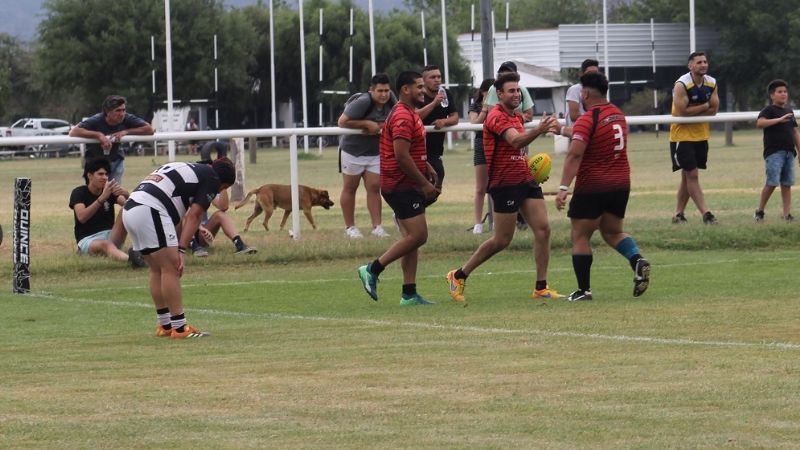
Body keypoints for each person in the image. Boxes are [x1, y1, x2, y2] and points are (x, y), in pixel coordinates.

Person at [446, 72, 562, 304]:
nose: (516, 94)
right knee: (502, 240)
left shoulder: (516, 116)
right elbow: (516, 141)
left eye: (518, 90)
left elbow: (519, 151)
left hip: (525, 180)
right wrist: (540, 130)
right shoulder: (496, 117)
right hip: (504, 184)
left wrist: (535, 171)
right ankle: (458, 275)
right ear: (499, 94)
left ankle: (541, 287)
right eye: (511, 90)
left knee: (543, 230)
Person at [553, 72, 650, 301]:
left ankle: (583, 290)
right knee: (612, 231)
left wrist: (563, 188)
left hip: (593, 185)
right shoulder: (617, 115)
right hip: (620, 184)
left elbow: (575, 154)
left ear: (585, 93)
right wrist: (560, 130)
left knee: (580, 235)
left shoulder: (588, 118)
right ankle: (637, 260)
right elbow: (587, 136)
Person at [122, 158, 236, 339]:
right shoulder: (212, 177)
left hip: (131, 208)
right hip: (151, 209)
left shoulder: (189, 167)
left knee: (157, 269)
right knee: (171, 268)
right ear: (222, 181)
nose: (219, 192)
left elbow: (178, 216)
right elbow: (195, 215)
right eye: (223, 189)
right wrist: (181, 250)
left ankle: (166, 325)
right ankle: (180, 328)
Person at [357, 71, 439, 306]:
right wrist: (424, 183)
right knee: (418, 235)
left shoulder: (409, 112)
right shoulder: (403, 116)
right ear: (405, 89)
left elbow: (410, 149)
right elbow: (401, 155)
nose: (423, 91)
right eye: (419, 87)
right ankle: (372, 269)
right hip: (401, 184)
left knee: (411, 239)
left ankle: (409, 293)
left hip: (405, 182)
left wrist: (427, 166)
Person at [337, 73, 396, 239]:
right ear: (371, 90)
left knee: (374, 187)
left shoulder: (392, 99)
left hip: (375, 152)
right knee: (350, 188)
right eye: (380, 91)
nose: (384, 94)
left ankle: (377, 227)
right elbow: (342, 121)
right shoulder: (363, 101)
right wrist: (366, 123)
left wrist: (380, 126)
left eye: (386, 90)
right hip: (352, 150)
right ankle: (350, 228)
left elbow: (397, 117)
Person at [669, 51, 719, 225]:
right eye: (699, 62)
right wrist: (704, 106)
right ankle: (707, 214)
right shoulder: (682, 84)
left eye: (705, 61)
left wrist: (698, 109)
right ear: (690, 65)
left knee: (687, 176)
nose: (703, 64)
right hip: (682, 136)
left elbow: (714, 110)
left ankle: (678, 214)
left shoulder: (711, 83)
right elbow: (682, 111)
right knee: (692, 174)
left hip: (701, 134)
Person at [69, 157, 146, 268]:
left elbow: (132, 208)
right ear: (89, 175)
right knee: (106, 244)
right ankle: (132, 260)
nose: (105, 177)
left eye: (106, 174)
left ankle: (147, 249)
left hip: (111, 235)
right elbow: (82, 217)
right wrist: (102, 198)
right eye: (100, 174)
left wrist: (127, 194)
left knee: (126, 211)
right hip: (88, 239)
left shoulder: (109, 191)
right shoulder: (79, 192)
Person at [70, 95, 155, 186]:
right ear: (107, 112)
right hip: (95, 162)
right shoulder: (96, 119)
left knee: (115, 193)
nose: (122, 114)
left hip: (116, 160)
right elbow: (73, 132)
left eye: (123, 110)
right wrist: (98, 135)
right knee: (95, 195)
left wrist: (126, 131)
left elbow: (149, 130)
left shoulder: (127, 118)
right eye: (118, 110)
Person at [189, 158, 257, 256]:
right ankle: (194, 247)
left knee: (220, 215)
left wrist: (221, 181)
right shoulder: (190, 182)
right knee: (181, 217)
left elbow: (223, 206)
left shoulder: (208, 184)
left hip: (201, 233)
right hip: (182, 231)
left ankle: (240, 245)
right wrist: (199, 227)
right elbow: (182, 212)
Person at [754, 79, 800, 223]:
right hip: (774, 152)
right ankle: (760, 211)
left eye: (785, 92)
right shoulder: (769, 110)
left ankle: (787, 215)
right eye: (779, 92)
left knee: (787, 184)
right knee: (772, 182)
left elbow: (794, 132)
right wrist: (778, 120)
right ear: (772, 95)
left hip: (789, 152)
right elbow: (760, 123)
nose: (783, 94)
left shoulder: (789, 111)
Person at [416, 64, 459, 191]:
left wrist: (444, 122)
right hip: (417, 149)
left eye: (439, 77)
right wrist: (434, 104)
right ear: (423, 80)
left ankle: (408, 211)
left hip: (435, 150)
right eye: (433, 77)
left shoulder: (445, 93)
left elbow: (455, 117)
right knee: (423, 187)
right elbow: (413, 116)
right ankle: (409, 210)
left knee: (437, 185)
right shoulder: (419, 95)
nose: (437, 80)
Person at [468, 78, 495, 234]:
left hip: (497, 144)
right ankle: (478, 224)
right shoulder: (475, 105)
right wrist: (485, 109)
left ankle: (497, 220)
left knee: (496, 186)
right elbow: (475, 124)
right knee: (480, 187)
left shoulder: (500, 105)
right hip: (481, 144)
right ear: (482, 92)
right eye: (488, 93)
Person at [565, 58, 600, 126]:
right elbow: (574, 116)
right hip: (577, 131)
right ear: (582, 74)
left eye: (595, 73)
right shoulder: (575, 90)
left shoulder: (598, 91)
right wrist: (598, 119)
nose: (593, 76)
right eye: (590, 73)